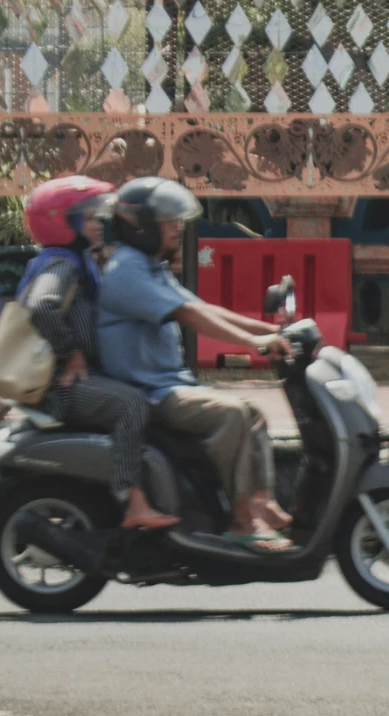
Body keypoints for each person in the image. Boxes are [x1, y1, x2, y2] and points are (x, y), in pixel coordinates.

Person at [94, 177, 298, 550]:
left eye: (178, 220)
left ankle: (261, 501)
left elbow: (206, 308)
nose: (178, 227)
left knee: (253, 410)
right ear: (140, 225)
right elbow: (190, 315)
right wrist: (255, 342)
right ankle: (241, 522)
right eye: (169, 221)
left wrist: (271, 330)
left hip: (172, 384)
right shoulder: (126, 269)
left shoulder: (148, 265)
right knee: (231, 414)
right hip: (150, 391)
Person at [17, 176, 178, 531]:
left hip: (70, 377)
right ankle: (132, 500)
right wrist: (71, 352)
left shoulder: (80, 259)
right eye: (87, 218)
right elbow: (42, 307)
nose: (97, 224)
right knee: (131, 403)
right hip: (59, 384)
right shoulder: (60, 263)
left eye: (95, 216)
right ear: (62, 223)